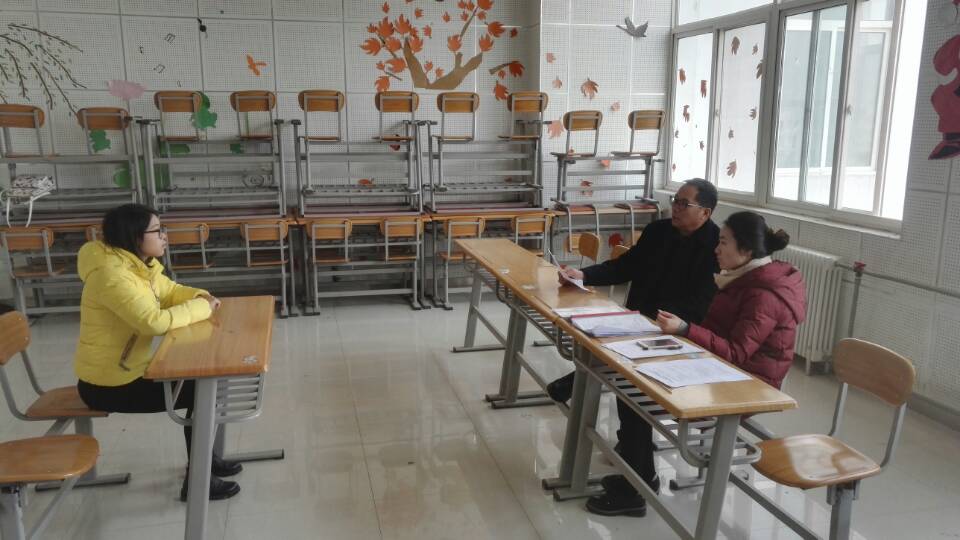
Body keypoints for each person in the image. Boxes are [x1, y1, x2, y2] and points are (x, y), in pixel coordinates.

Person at [553, 178, 721, 517]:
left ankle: (637, 486)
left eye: (683, 204)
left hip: (679, 333)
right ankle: (630, 454)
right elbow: (625, 266)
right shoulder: (659, 231)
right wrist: (583, 276)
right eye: (675, 200)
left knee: (631, 391)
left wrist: (661, 325)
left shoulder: (715, 246)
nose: (675, 207)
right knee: (612, 366)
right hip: (638, 325)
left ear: (705, 212)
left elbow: (703, 304)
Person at [74, 204, 242, 502]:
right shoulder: (112, 276)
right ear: (134, 236)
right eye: (157, 230)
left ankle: (206, 460)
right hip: (108, 385)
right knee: (204, 391)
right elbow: (154, 322)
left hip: (126, 372)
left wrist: (201, 295)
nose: (164, 236)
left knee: (209, 385)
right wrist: (202, 308)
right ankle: (199, 480)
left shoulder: (137, 266)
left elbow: (170, 291)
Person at [656, 211, 806, 390]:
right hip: (724, 368)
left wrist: (685, 329)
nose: (716, 249)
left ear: (747, 249)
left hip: (751, 383)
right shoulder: (743, 278)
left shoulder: (763, 295)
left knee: (660, 390)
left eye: (723, 242)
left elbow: (736, 353)